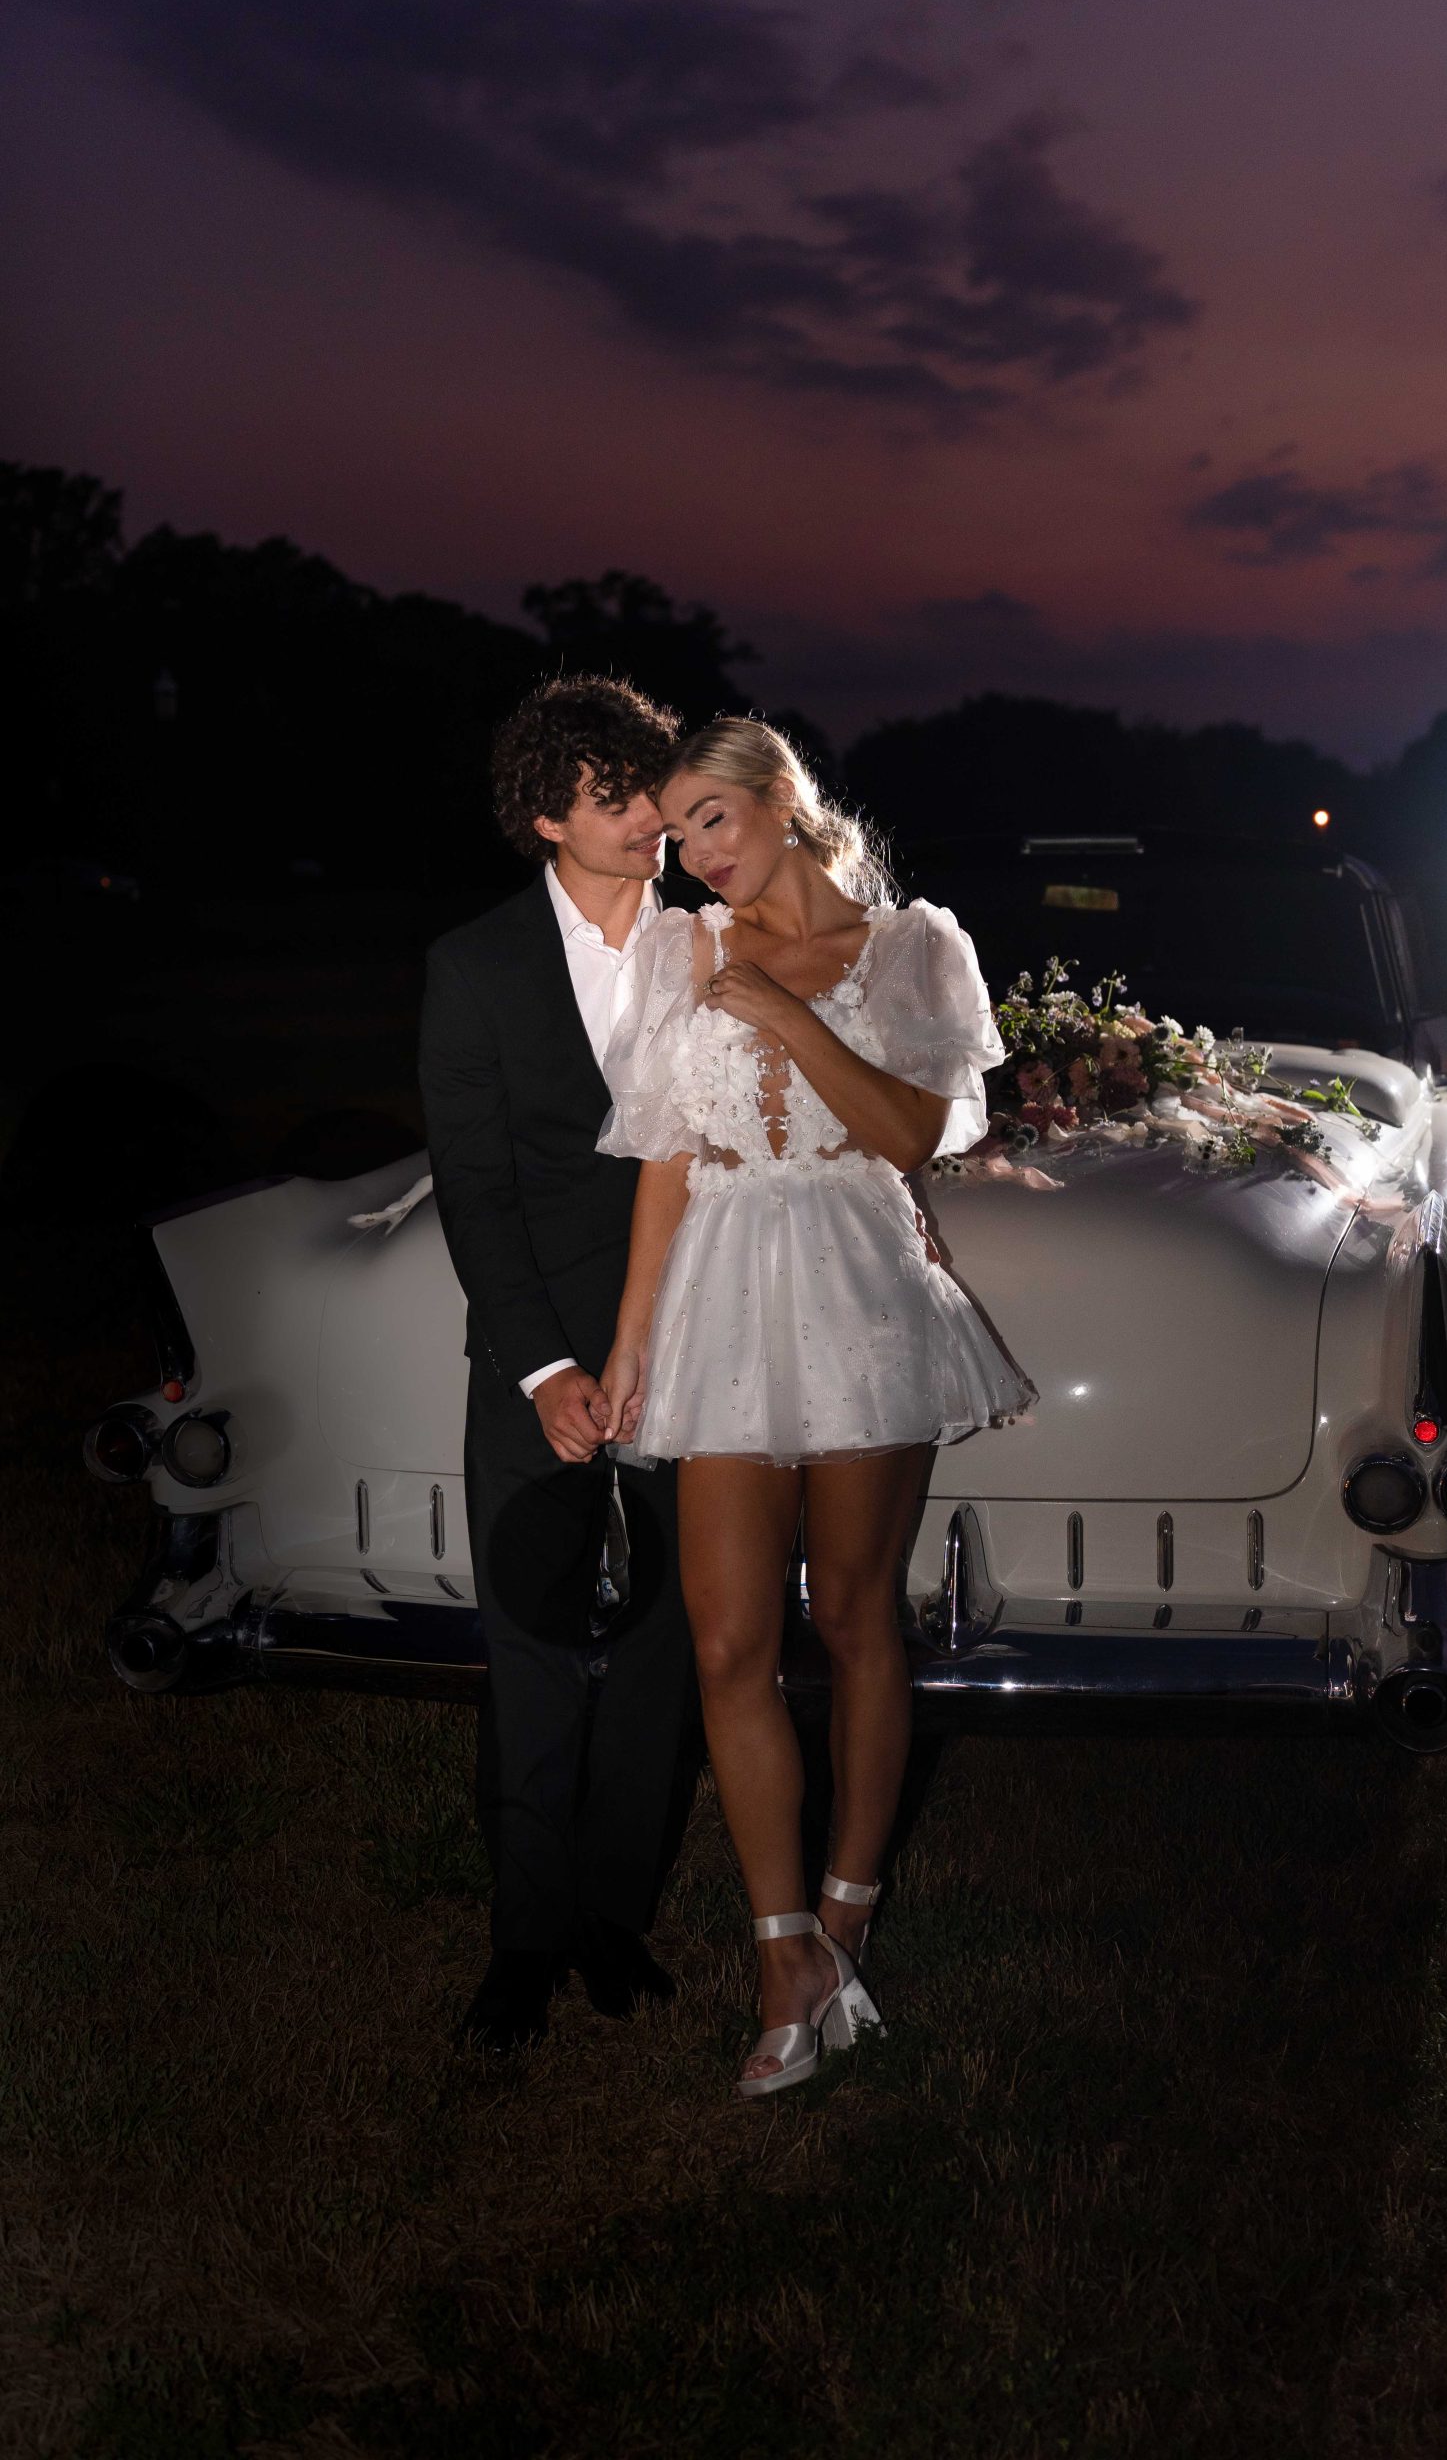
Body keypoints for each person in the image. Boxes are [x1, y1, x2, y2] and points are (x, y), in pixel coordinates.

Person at [596, 717, 1032, 2097]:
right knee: (727, 1638)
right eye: (678, 836)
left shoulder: (911, 948)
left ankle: (850, 1908)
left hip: (859, 1295)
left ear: (783, 799)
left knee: (853, 1617)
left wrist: (787, 1016)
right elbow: (664, 1162)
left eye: (713, 820)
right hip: (718, 1296)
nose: (697, 857)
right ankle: (782, 1947)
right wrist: (627, 1348)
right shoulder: (680, 952)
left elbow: (912, 1137)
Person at [418, 674, 699, 2056]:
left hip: (689, 1350)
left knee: (659, 1648)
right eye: (614, 795)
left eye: (651, 786)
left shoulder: (709, 950)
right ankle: (523, 1942)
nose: (650, 813)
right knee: (531, 1647)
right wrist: (544, 1369)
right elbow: (473, 1189)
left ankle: (612, 1920)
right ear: (547, 816)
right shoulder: (472, 967)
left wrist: (653, 1349)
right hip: (532, 1363)